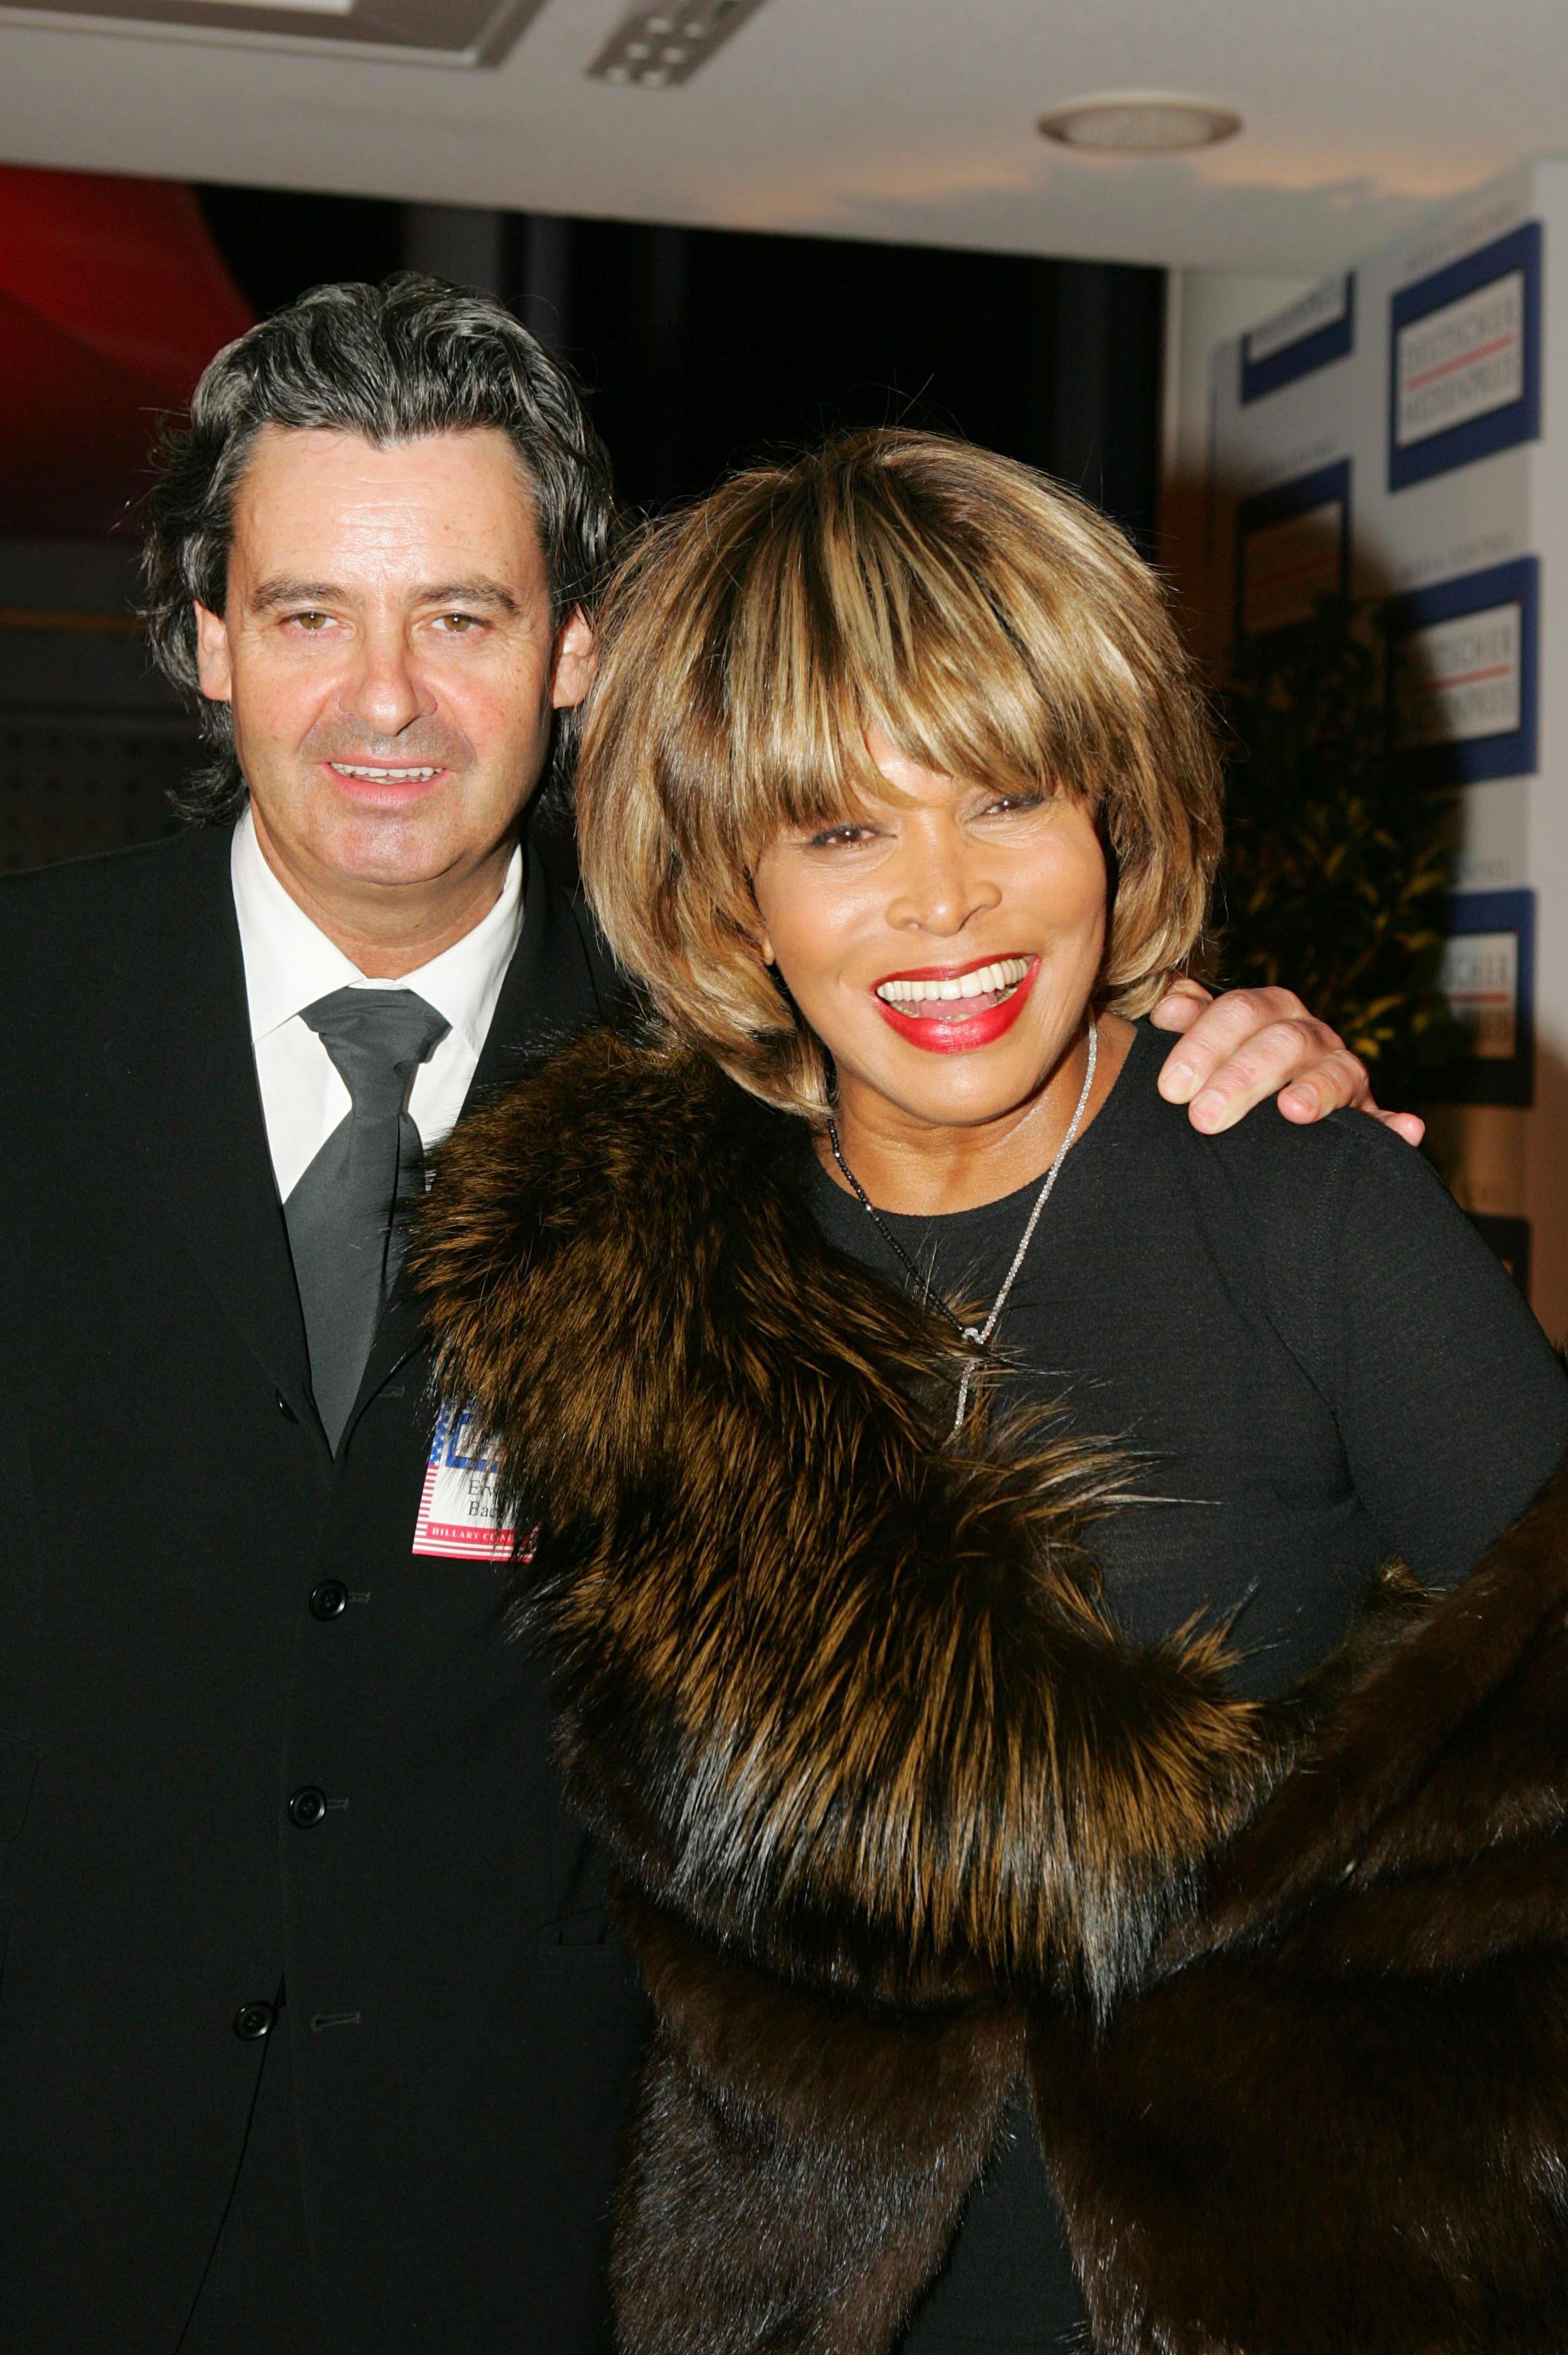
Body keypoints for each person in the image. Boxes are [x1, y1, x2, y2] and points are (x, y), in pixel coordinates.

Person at [0, 277, 1425, 2354]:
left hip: (543, 2231)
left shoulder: (742, 1061)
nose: (381, 697)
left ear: (577, 650)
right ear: (208, 640)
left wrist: (1233, 1059)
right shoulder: (17, 1015)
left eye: (464, 618)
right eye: (309, 615)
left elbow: (1020, 1077)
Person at [415, 427, 1568, 2354]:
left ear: (1114, 816)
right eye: (845, 832)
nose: (945, 903)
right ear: (730, 883)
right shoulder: (632, 1271)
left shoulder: (1296, 1193)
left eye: (1007, 799)